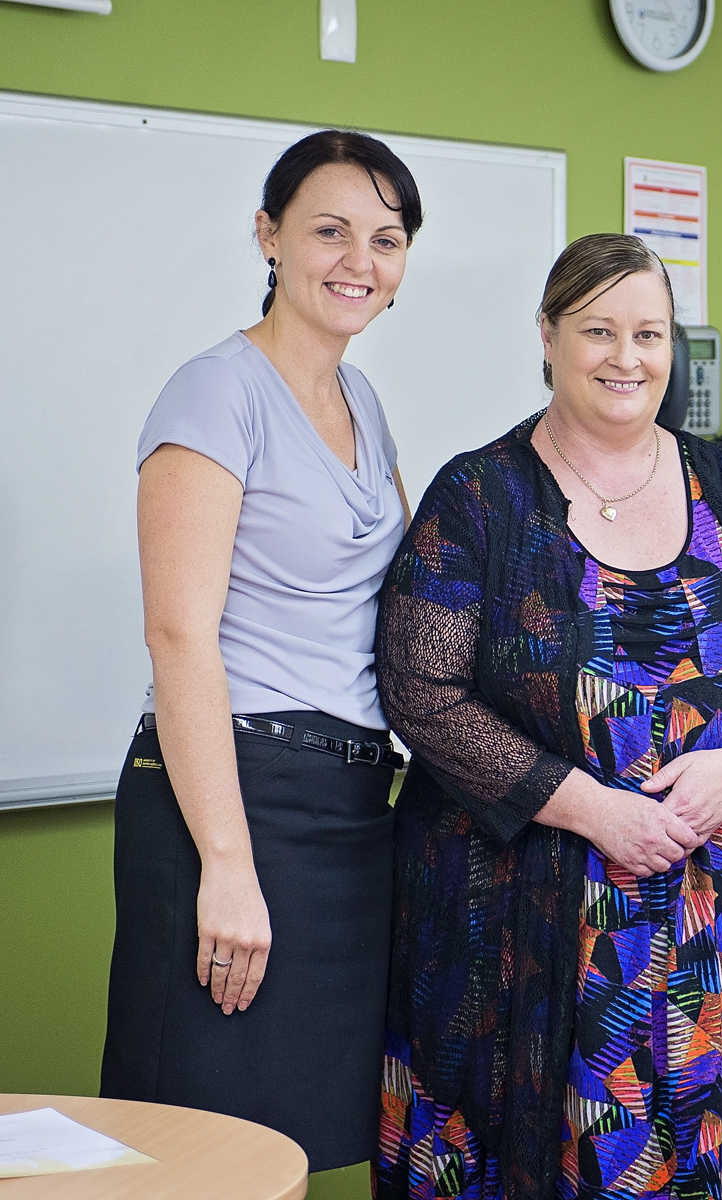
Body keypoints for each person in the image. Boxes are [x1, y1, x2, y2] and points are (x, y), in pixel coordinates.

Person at [372, 233, 722, 1200]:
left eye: (648, 333)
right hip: (524, 918)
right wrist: (590, 808)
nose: (626, 357)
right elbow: (420, 690)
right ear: (547, 337)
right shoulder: (481, 496)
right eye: (598, 330)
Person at [100, 130, 422, 1171]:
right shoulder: (215, 392)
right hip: (229, 800)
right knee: (202, 1140)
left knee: (298, 1144)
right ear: (268, 235)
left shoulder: (363, 401)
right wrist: (227, 866)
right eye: (329, 230)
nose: (357, 262)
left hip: (347, 809)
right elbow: (180, 634)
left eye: (385, 238)